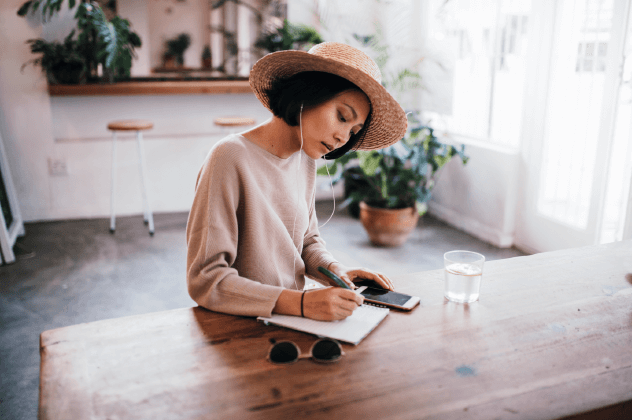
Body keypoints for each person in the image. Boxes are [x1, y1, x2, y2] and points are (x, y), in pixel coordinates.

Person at [186, 42, 408, 321]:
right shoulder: (229, 157)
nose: (343, 137)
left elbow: (306, 241)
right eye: (342, 116)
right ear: (307, 93)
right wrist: (301, 304)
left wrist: (335, 271)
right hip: (240, 323)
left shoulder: (305, 158)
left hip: (292, 320)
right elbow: (206, 279)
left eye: (353, 131)